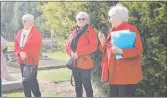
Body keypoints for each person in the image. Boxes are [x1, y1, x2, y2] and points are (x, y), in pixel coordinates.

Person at [99, 4, 143, 97]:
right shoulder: (111, 30)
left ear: (118, 17)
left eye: (111, 17)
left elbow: (138, 51)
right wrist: (103, 43)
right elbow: (109, 51)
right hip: (114, 74)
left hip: (126, 75)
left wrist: (122, 51)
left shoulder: (131, 29)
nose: (109, 20)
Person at [65, 11, 98, 97]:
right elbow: (67, 45)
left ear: (88, 20)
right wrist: (71, 52)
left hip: (85, 63)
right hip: (75, 63)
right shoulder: (74, 31)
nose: (81, 20)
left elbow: (93, 46)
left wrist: (78, 53)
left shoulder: (91, 32)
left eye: (83, 19)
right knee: (77, 85)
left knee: (87, 85)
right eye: (79, 19)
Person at [14, 14, 42, 97]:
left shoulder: (36, 33)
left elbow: (37, 47)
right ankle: (27, 96)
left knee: (32, 81)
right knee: (25, 81)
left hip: (31, 61)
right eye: (23, 21)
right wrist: (19, 52)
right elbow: (16, 45)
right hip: (22, 61)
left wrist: (26, 54)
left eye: (24, 21)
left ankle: (37, 95)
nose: (23, 23)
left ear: (30, 22)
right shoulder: (20, 32)